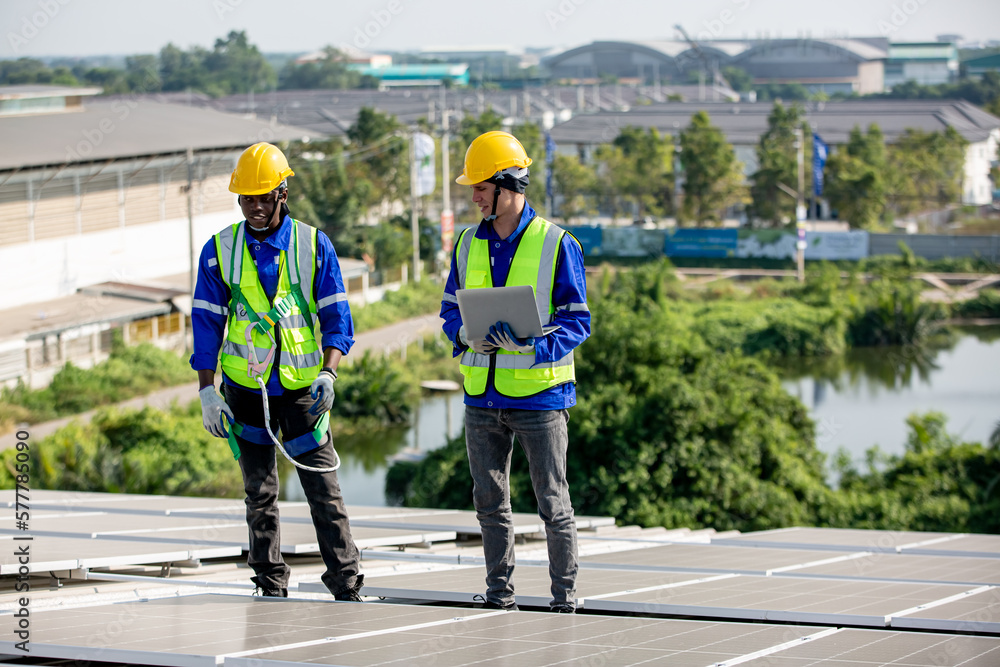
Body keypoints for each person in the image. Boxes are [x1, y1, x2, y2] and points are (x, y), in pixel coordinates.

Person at [191, 142, 364, 601]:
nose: (253, 208)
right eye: (246, 199)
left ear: (282, 194)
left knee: (323, 490)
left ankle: (346, 584)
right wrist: (207, 390)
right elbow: (206, 322)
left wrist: (330, 372)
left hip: (303, 390)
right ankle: (270, 583)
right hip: (245, 390)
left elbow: (336, 317)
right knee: (259, 494)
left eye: (263, 198)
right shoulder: (219, 251)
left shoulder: (313, 245)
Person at [440, 131, 591, 612]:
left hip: (540, 399)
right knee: (488, 504)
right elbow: (449, 311)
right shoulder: (466, 243)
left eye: (481, 187)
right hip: (481, 396)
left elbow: (578, 320)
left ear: (508, 185)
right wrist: (464, 335)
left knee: (553, 503)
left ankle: (564, 601)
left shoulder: (557, 243)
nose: (474, 197)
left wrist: (537, 344)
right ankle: (499, 596)